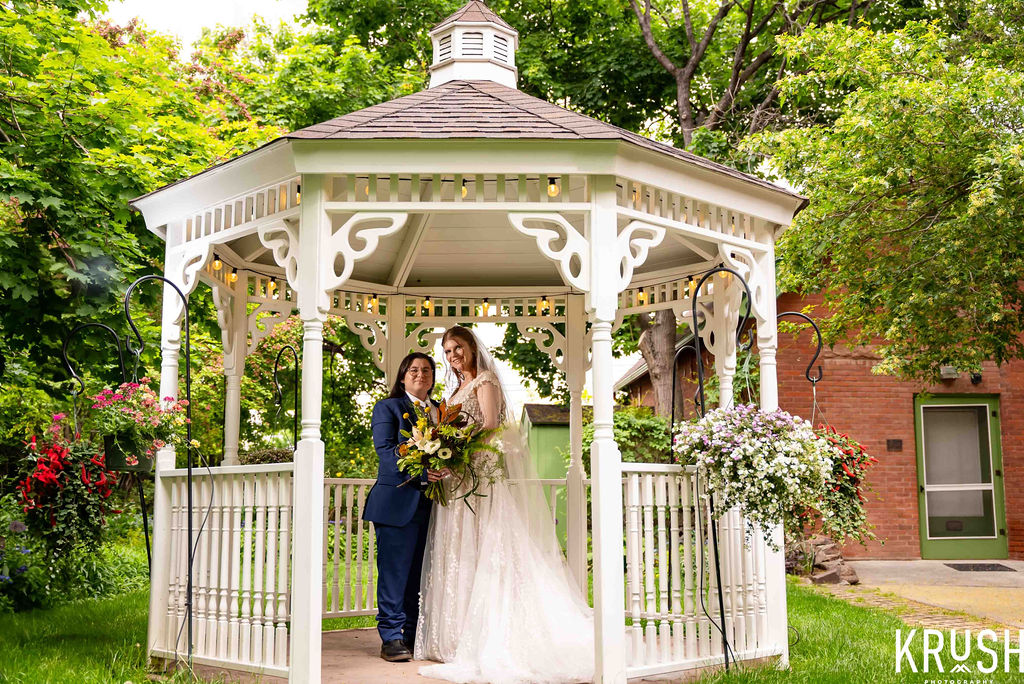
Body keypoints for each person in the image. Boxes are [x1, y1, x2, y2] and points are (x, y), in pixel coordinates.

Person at [415, 326, 595, 684]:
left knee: (489, 548)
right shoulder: (453, 391)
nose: (453, 356)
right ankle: (456, 637)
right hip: (457, 479)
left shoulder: (485, 382)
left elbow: (493, 424)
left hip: (481, 474)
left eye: (458, 348)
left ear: (471, 347)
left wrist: (458, 445)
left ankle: (494, 636)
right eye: (448, 351)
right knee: (460, 551)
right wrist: (439, 452)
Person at [363, 352, 445, 662]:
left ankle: (411, 635)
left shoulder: (441, 412)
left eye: (426, 370)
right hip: (396, 504)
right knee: (394, 575)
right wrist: (422, 473)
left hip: (435, 506)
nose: (420, 374)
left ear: (433, 378)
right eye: (414, 369)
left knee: (419, 576)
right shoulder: (389, 408)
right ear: (402, 376)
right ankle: (391, 637)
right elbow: (385, 451)